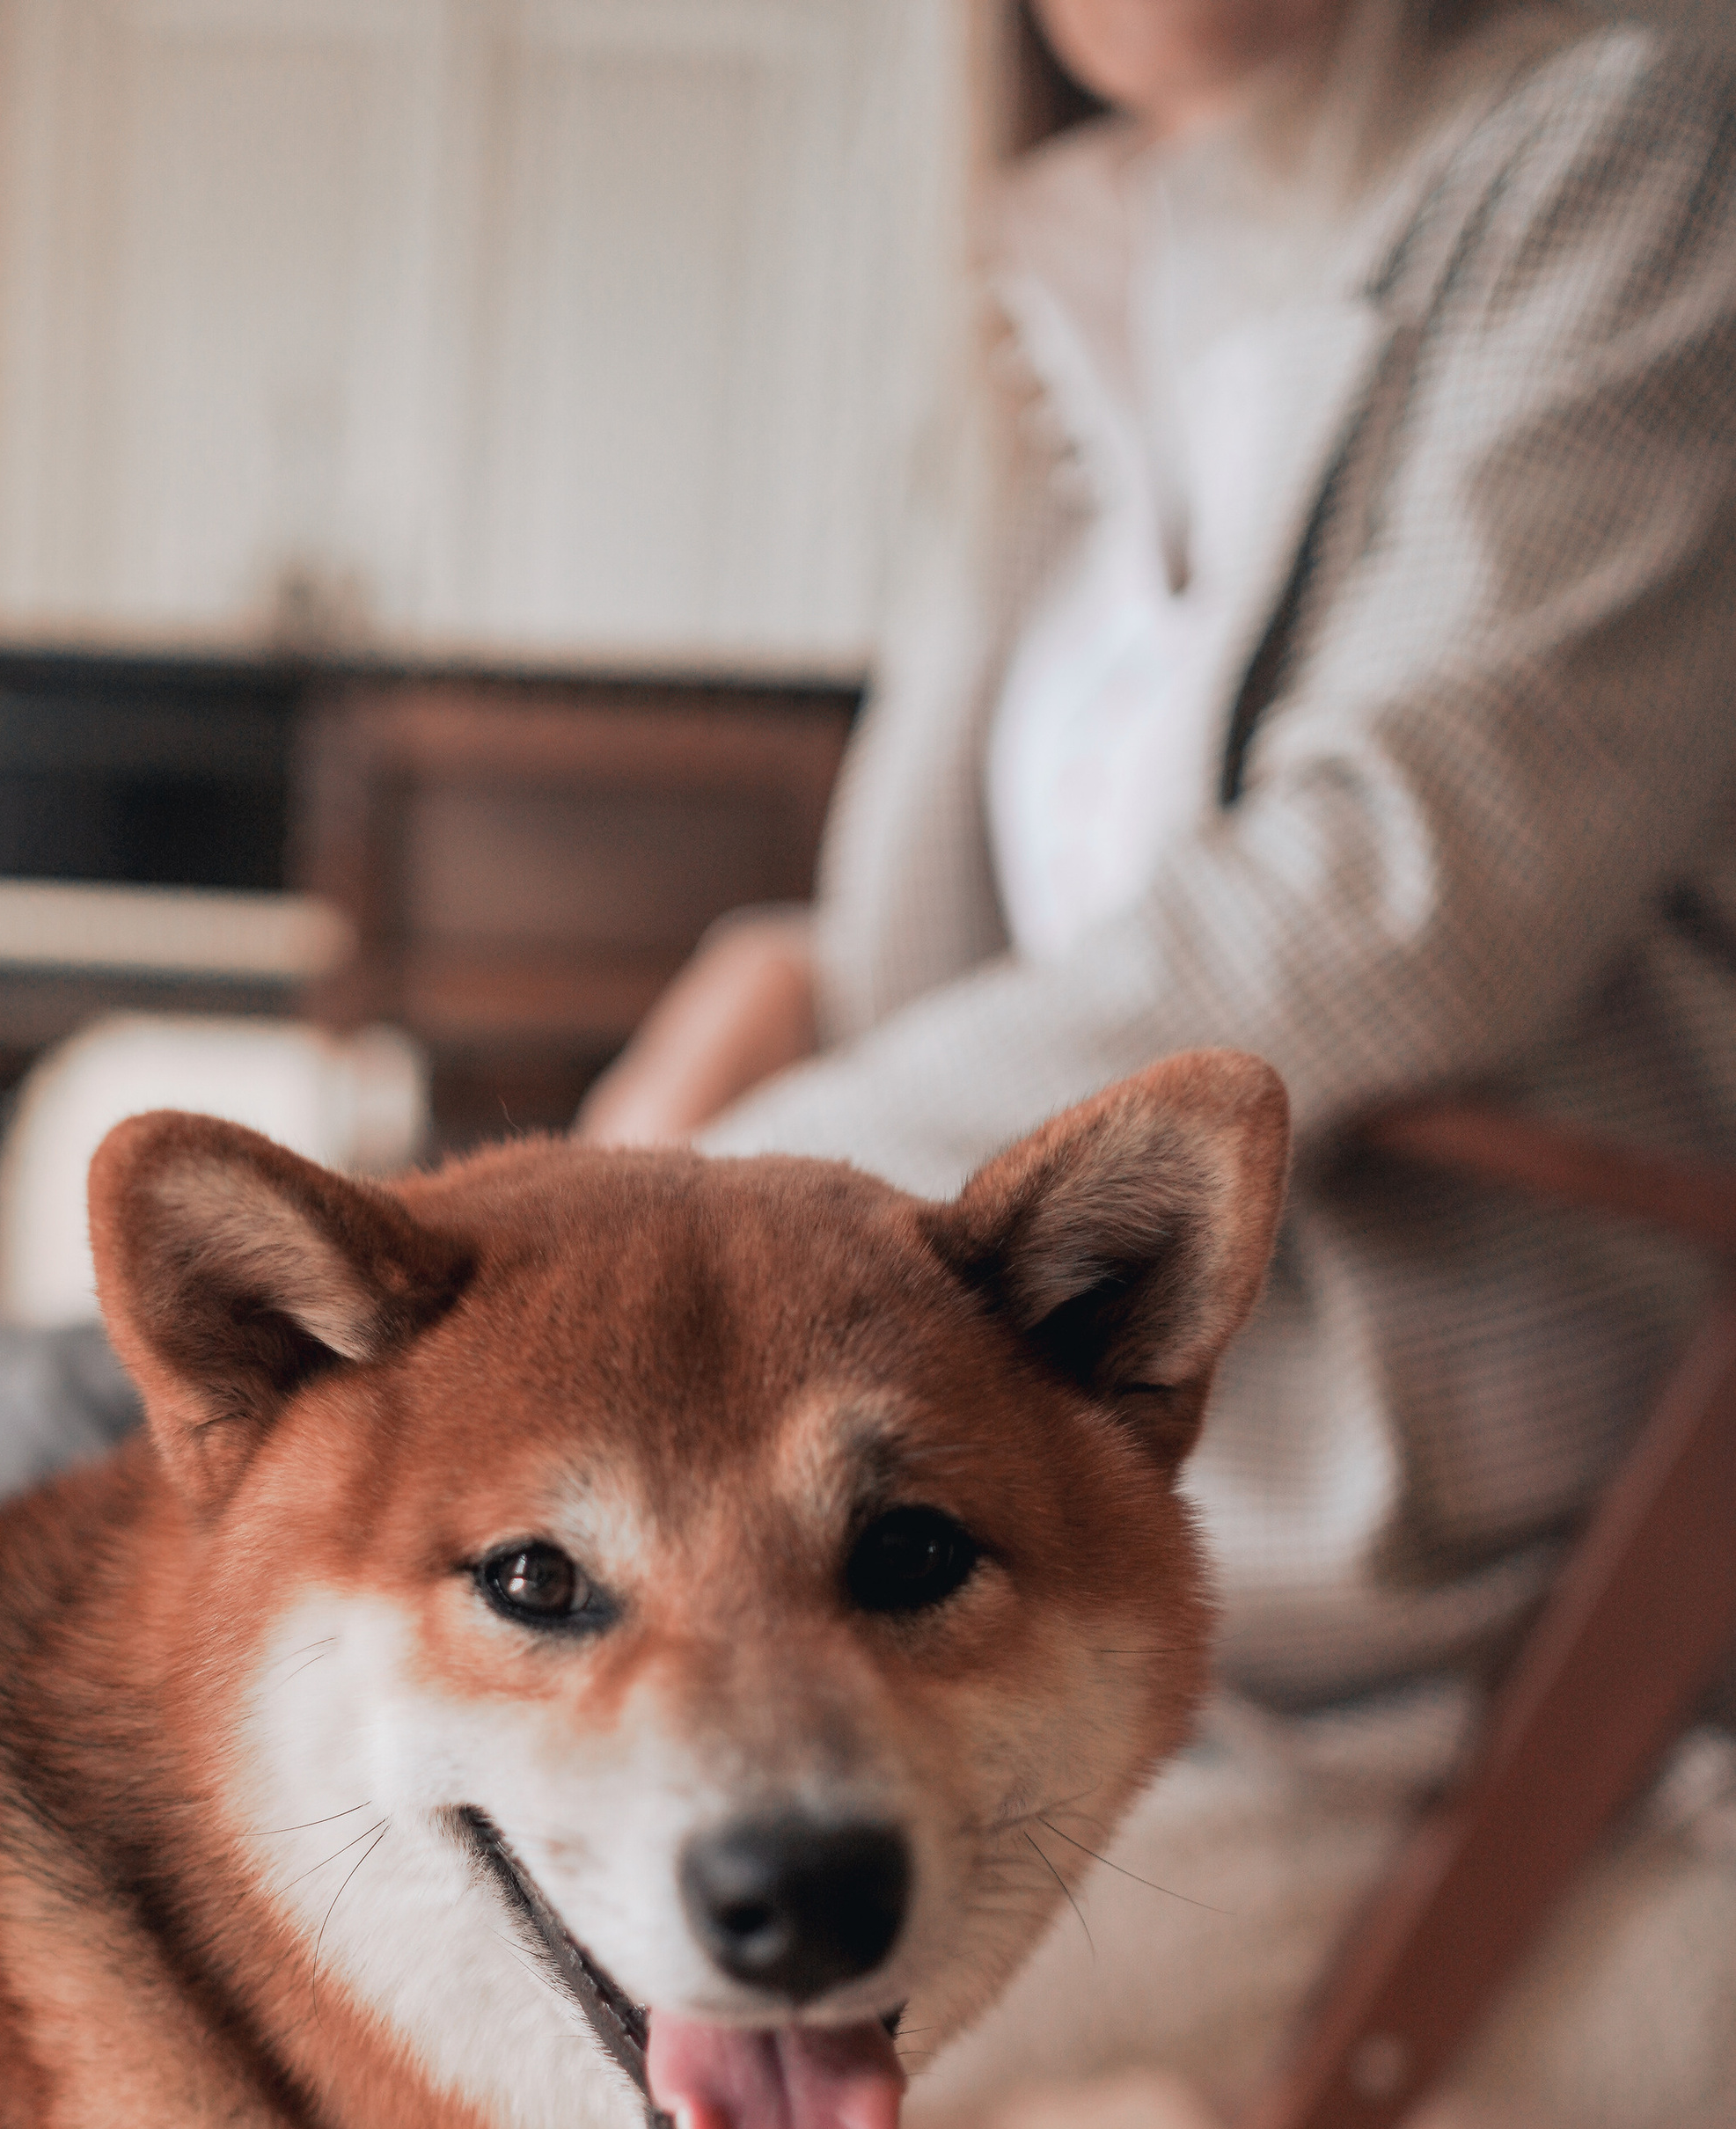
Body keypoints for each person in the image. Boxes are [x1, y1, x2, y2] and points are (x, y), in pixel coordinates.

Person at [581, 0, 1736, 1707]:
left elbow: (1407, 890)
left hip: (1391, 1402)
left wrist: (697, 1219)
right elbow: (1043, 910)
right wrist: (776, 983)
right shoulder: (1082, 264)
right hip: (1009, 1370)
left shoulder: (1645, 139)